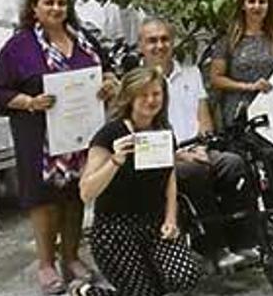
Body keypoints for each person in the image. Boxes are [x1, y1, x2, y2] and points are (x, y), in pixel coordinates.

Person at [0, 0, 115, 295]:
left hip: (81, 136)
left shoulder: (83, 39)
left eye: (61, 2)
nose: (56, 8)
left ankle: (71, 258)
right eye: (49, 2)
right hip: (39, 137)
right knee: (44, 200)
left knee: (75, 196)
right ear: (34, 7)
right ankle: (46, 264)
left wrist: (110, 84)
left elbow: (109, 72)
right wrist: (30, 102)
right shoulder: (20, 46)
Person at [139, 20, 260, 264]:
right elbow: (141, 133)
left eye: (164, 39)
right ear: (141, 45)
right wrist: (178, 155)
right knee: (195, 171)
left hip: (198, 147)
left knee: (234, 164)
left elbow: (203, 115)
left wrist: (204, 146)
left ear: (172, 43)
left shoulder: (191, 73)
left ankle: (245, 242)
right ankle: (215, 248)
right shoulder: (136, 83)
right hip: (163, 157)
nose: (159, 45)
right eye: (152, 41)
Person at [73, 68, 200, 296]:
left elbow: (169, 178)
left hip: (154, 222)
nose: (151, 100)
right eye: (143, 95)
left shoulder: (163, 132)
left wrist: (171, 218)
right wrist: (115, 160)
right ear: (130, 98)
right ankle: (87, 293)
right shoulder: (110, 134)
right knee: (145, 292)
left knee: (185, 275)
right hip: (115, 229)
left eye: (156, 94)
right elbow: (86, 192)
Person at [210, 0, 273, 129]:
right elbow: (216, 79)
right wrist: (249, 87)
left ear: (268, 6)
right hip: (240, 112)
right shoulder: (228, 40)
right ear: (243, 5)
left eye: (262, 2)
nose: (257, 6)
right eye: (251, 1)